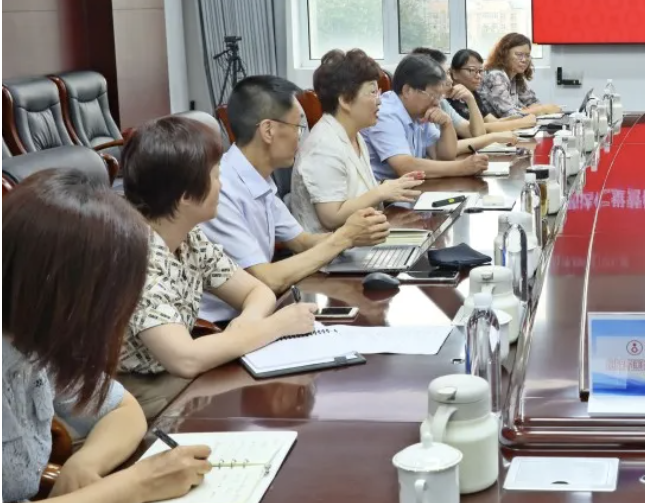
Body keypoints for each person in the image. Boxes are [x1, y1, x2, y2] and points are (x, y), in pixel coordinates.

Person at [3, 170, 211, 503]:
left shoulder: (35, 342)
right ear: (64, 290)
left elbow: (123, 409)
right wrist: (139, 484)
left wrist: (85, 463)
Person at [119, 117, 319, 390]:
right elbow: (185, 360)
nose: (221, 186)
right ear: (186, 195)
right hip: (137, 390)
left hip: (174, 377)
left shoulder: (189, 237)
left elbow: (257, 291)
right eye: (215, 176)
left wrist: (245, 328)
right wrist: (276, 327)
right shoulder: (137, 257)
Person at [201, 76, 390, 321]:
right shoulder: (221, 190)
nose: (302, 136)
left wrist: (356, 234)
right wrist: (344, 237)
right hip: (221, 325)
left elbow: (302, 241)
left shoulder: (258, 178)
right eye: (298, 126)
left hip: (259, 312)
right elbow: (266, 278)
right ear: (268, 130)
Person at [291, 49, 424, 233]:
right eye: (372, 92)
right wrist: (381, 192)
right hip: (336, 248)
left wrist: (393, 188)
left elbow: (358, 194)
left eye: (379, 92)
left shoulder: (354, 134)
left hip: (367, 236)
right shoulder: (323, 146)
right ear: (345, 100)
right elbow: (332, 217)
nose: (379, 101)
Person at [361, 53, 490, 180]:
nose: (437, 103)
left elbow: (442, 156)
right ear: (407, 90)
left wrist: (447, 124)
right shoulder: (385, 113)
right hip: (382, 190)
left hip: (407, 187)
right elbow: (404, 166)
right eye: (433, 96)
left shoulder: (419, 111)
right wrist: (461, 167)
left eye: (439, 97)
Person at [411, 47, 519, 153]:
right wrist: (493, 137)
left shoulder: (442, 103)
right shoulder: (439, 102)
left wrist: (471, 100)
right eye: (471, 70)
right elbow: (442, 150)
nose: (449, 80)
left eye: (480, 71)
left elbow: (477, 134)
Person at [448, 48, 538, 133]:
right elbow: (476, 130)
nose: (478, 76)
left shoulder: (473, 93)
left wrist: (520, 117)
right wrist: (520, 123)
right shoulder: (449, 99)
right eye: (471, 70)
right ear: (454, 73)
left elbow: (492, 121)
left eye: (480, 71)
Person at [478, 33, 562, 118]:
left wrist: (530, 110)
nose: (524, 60)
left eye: (527, 55)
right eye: (519, 54)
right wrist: (543, 109)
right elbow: (509, 115)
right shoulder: (495, 76)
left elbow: (533, 103)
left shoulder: (516, 77)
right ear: (505, 55)